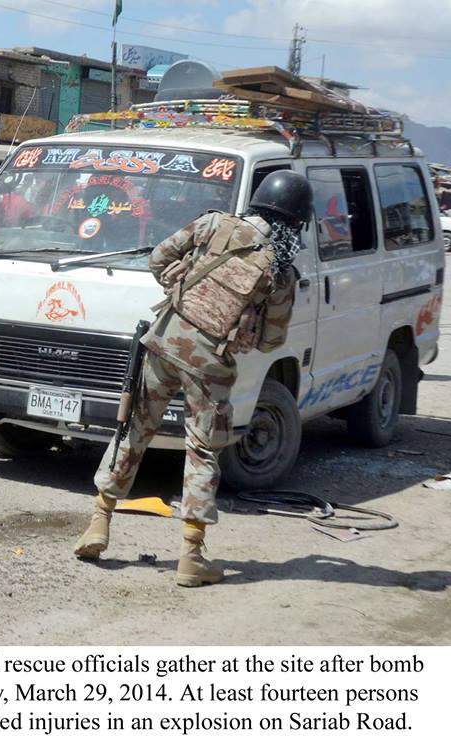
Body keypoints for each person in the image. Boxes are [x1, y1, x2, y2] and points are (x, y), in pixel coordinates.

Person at [73, 170, 314, 587]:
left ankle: (98, 523)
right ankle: (191, 556)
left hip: (164, 341)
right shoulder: (279, 272)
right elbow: (272, 343)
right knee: (202, 452)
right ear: (292, 222)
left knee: (133, 431)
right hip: (211, 366)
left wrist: (181, 293)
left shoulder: (212, 224)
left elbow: (157, 259)